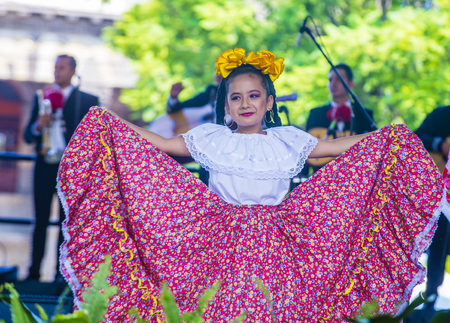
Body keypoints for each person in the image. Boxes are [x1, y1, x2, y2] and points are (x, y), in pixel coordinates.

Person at [57, 48, 446, 322]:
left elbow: (330, 148)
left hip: (278, 244)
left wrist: (384, 136)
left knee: (277, 304)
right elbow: (161, 144)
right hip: (217, 241)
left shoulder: (287, 139)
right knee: (215, 305)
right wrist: (110, 121)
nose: (245, 103)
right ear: (226, 106)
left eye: (254, 95)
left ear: (269, 101)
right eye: (236, 97)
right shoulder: (211, 137)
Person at [24, 54, 99, 281]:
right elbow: (27, 135)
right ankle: (33, 272)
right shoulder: (42, 97)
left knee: (68, 222)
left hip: (72, 169)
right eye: (55, 67)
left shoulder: (86, 100)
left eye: (63, 68)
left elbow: (95, 137)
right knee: (40, 221)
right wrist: (39, 125)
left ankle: (61, 273)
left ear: (73, 71)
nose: (57, 72)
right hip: (45, 165)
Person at [408, 105, 450, 322]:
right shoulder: (442, 115)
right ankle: (429, 300)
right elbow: (416, 136)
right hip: (441, 196)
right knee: (437, 250)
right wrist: (439, 144)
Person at [303, 64, 375, 176]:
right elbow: (306, 151)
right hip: (322, 179)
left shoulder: (364, 114)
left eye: (339, 79)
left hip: (356, 178)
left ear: (351, 84)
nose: (333, 83)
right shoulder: (315, 114)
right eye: (330, 79)